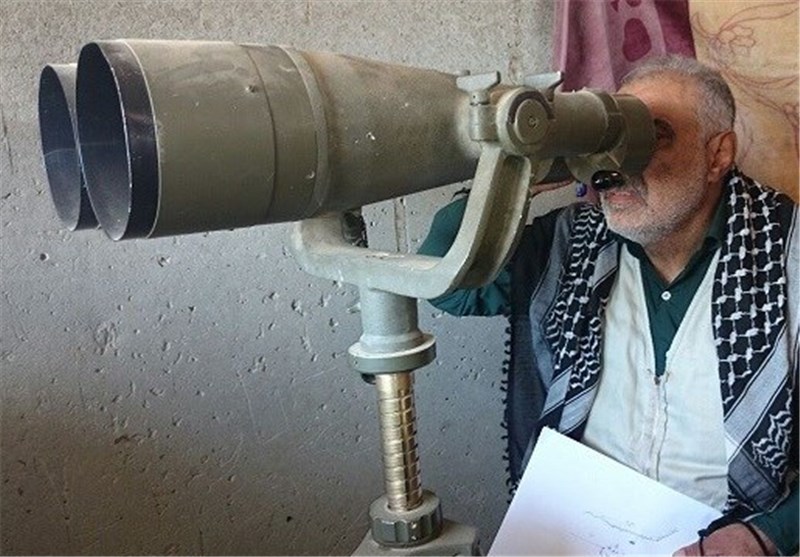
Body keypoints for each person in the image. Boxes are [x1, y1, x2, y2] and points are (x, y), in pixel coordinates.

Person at [418, 55, 798, 556]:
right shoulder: (571, 245)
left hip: (730, 535)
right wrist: (524, 168)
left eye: (651, 136)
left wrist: (769, 535)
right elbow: (447, 280)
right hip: (577, 535)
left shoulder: (787, 255)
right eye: (612, 136)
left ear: (717, 154)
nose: (617, 164)